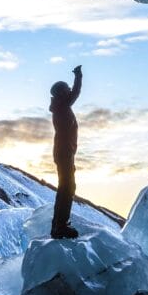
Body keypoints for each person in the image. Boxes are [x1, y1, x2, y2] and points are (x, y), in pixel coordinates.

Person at [49, 64, 82, 239]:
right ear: (62, 93)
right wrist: (78, 76)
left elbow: (73, 93)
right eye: (66, 89)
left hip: (64, 152)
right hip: (64, 153)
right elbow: (75, 93)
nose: (69, 91)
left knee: (66, 188)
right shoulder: (62, 106)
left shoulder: (61, 105)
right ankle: (60, 226)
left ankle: (58, 224)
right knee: (67, 188)